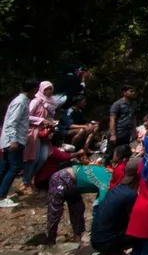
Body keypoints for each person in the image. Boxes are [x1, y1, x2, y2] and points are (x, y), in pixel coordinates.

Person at [46, 159, 111, 243]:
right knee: (55, 212)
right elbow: (102, 204)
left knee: (78, 209)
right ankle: (50, 240)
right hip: (61, 178)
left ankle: (77, 238)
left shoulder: (109, 175)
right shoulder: (108, 182)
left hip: (73, 183)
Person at [92, 156, 139, 255]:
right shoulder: (130, 195)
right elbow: (135, 223)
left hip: (97, 238)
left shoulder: (117, 188)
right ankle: (115, 253)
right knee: (144, 231)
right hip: (105, 242)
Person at [0, 79, 38, 207]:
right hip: (13, 140)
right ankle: (1, 197)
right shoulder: (20, 102)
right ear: (33, 90)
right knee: (15, 167)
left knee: (5, 167)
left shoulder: (22, 101)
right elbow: (12, 122)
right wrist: (13, 140)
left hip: (12, 139)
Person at [108, 85, 137, 163]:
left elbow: (133, 118)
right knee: (110, 153)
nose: (133, 93)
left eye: (134, 91)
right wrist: (113, 134)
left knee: (124, 152)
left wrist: (134, 131)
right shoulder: (117, 104)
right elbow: (112, 119)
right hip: (118, 131)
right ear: (124, 92)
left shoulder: (133, 104)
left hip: (127, 132)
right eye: (131, 91)